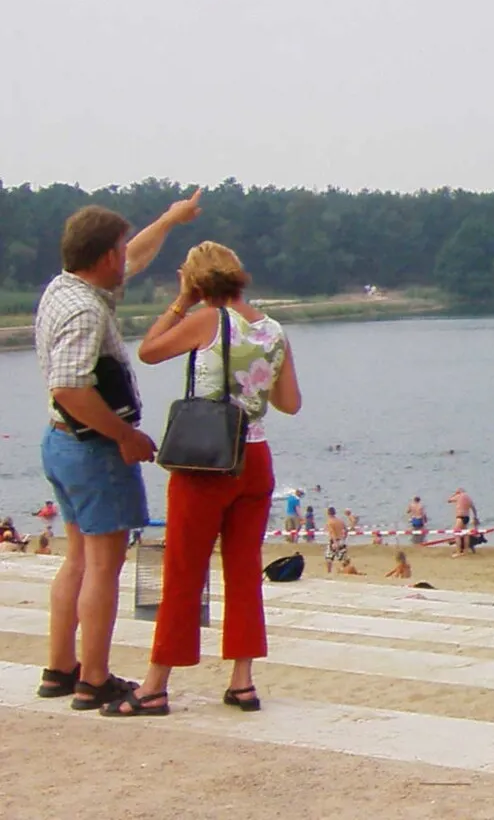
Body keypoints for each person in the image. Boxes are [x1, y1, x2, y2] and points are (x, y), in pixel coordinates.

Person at [108, 239, 299, 717]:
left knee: (183, 573)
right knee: (243, 571)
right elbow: (290, 403)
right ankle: (242, 681)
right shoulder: (273, 330)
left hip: (207, 462)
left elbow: (149, 351)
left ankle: (155, 686)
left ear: (197, 281)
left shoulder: (207, 321)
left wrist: (178, 303)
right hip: (254, 457)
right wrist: (252, 383)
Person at [34, 193, 201, 711]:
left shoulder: (63, 289)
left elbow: (135, 255)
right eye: (120, 249)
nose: (126, 258)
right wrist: (125, 436)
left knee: (78, 561)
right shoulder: (86, 311)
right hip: (95, 448)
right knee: (104, 567)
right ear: (105, 256)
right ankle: (94, 678)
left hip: (60, 444)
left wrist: (170, 221)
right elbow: (70, 387)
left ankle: (60, 669)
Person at [448, 488, 476, 555]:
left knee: (457, 533)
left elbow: (449, 500)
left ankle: (458, 551)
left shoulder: (458, 496)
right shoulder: (468, 498)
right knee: (465, 534)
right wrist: (475, 517)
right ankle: (465, 551)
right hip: (467, 517)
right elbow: (473, 508)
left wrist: (455, 494)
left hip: (460, 517)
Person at [322, 508, 348, 575]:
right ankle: (345, 570)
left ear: (328, 513)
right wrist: (344, 538)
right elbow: (346, 530)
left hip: (334, 541)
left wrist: (335, 542)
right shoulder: (340, 521)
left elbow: (332, 532)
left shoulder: (330, 522)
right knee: (343, 558)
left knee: (329, 558)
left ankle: (329, 572)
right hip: (341, 540)